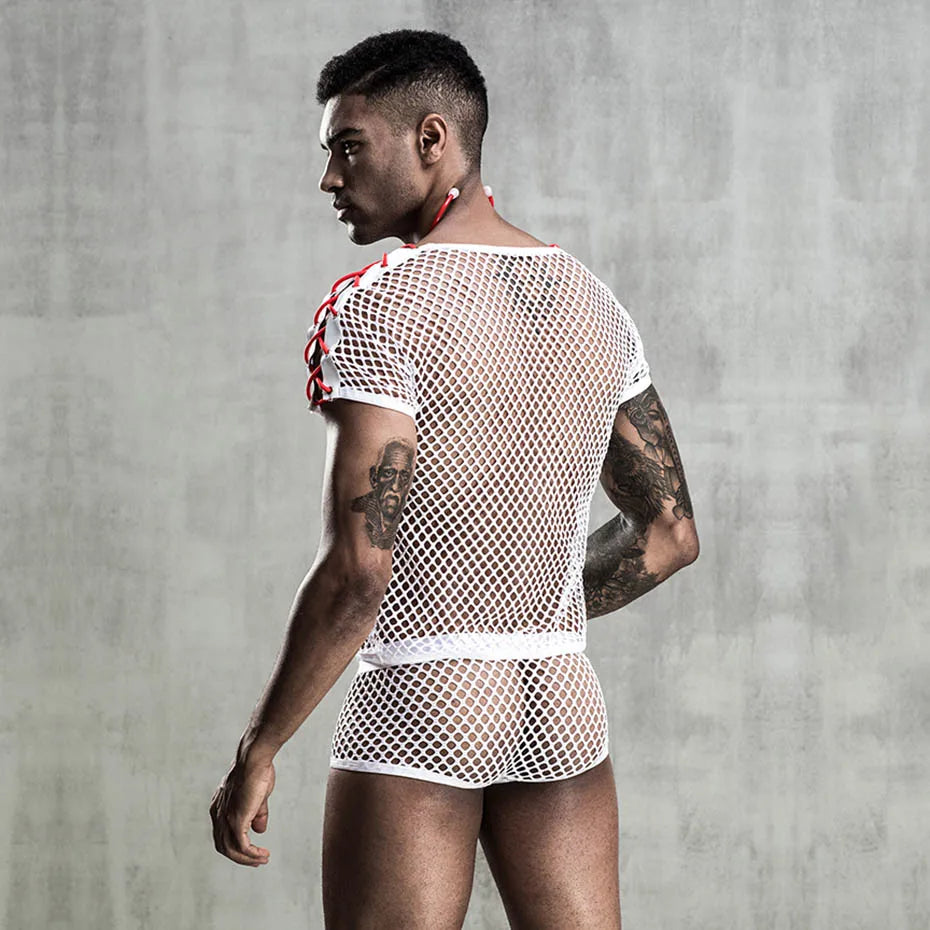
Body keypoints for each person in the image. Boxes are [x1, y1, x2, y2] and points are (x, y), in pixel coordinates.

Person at [210, 28, 699, 929]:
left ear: (431, 139)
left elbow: (359, 570)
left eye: (348, 147)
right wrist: (522, 612)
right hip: (558, 700)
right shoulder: (593, 302)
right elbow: (670, 533)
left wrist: (260, 745)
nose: (328, 178)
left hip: (423, 700)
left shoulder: (378, 306)